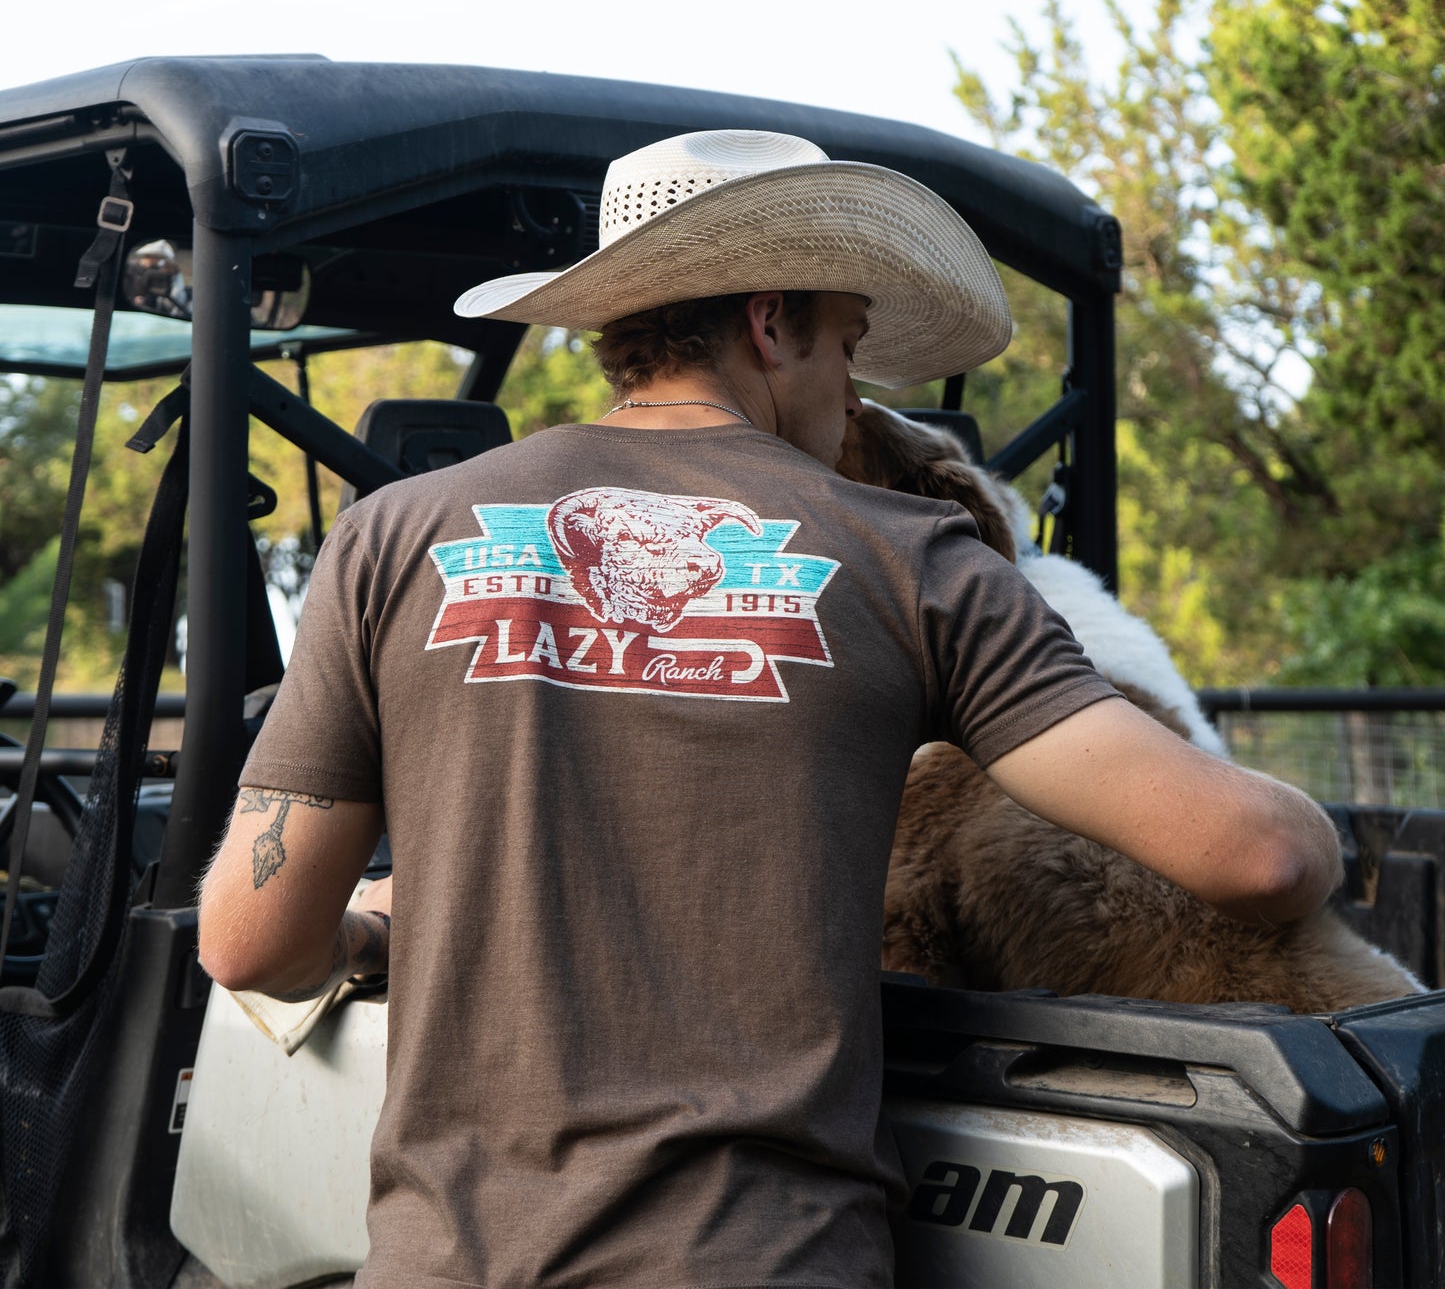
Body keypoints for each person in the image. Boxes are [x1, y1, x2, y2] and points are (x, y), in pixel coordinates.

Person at [198, 129, 1342, 1289]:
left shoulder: (395, 534)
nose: (851, 392)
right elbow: (1257, 857)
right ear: (769, 320)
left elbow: (248, 940)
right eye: (847, 344)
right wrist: (1309, 827)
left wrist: (372, 927)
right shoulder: (912, 558)